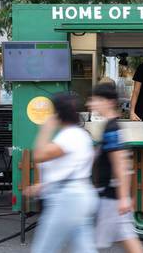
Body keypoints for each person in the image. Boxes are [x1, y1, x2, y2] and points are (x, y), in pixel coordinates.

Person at [25, 93, 98, 253]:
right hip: (78, 194)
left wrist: (45, 129)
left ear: (57, 113)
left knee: (43, 249)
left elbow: (38, 155)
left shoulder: (69, 136)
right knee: (83, 248)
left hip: (66, 198)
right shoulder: (79, 135)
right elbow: (71, 166)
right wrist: (45, 185)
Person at [88, 83, 143, 253]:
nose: (91, 104)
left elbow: (121, 163)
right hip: (113, 196)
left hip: (111, 198)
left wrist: (124, 197)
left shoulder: (112, 128)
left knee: (93, 245)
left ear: (109, 102)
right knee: (126, 239)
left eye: (96, 100)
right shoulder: (111, 126)